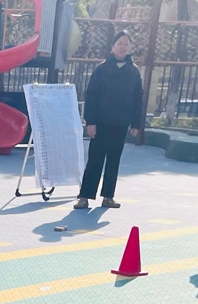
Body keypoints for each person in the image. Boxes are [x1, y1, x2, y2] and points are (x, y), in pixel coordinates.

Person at [74, 31, 144, 210]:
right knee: (95, 160)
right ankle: (84, 196)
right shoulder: (102, 69)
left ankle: (108, 196)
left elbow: (138, 98)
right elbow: (91, 96)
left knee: (114, 160)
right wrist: (90, 122)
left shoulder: (133, 71)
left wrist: (136, 123)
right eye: (119, 43)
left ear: (130, 48)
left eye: (126, 44)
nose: (122, 47)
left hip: (121, 123)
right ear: (112, 47)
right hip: (101, 123)